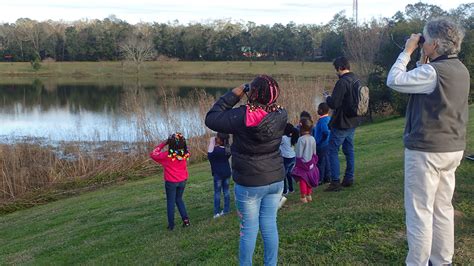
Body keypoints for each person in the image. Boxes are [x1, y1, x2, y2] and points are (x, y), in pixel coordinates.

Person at [386, 18, 469, 266]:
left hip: (427, 150)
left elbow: (395, 80)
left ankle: (417, 262)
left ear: (433, 43)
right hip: (452, 148)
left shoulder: (433, 72)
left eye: (424, 40)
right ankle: (442, 260)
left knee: (420, 211)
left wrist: (407, 51)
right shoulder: (460, 69)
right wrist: (424, 60)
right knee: (442, 207)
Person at [205, 74, 287, 266]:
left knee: (249, 230)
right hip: (275, 178)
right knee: (269, 225)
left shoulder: (242, 116)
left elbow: (211, 118)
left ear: (253, 93)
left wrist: (235, 93)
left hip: (250, 182)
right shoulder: (281, 114)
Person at [324, 56, 360, 192]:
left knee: (332, 150)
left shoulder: (342, 82)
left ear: (339, 68)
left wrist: (327, 98)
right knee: (349, 150)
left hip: (342, 122)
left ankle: (335, 182)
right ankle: (349, 178)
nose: (336, 72)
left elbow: (334, 103)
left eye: (336, 69)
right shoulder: (356, 79)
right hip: (353, 120)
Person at [150, 132, 191, 231]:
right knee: (179, 199)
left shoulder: (167, 156)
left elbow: (153, 154)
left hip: (171, 182)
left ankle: (171, 225)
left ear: (170, 144)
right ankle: (186, 221)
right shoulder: (185, 154)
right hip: (183, 180)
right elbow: (183, 147)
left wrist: (164, 143)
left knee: (171, 202)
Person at [292, 118, 319, 203]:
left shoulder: (301, 139)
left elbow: (299, 153)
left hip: (302, 163)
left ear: (301, 127)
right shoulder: (312, 138)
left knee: (303, 180)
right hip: (311, 162)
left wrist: (297, 161)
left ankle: (303, 197)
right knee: (309, 178)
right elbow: (314, 152)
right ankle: (309, 195)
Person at [208, 132, 232, 218]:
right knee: (226, 191)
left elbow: (209, 155)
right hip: (227, 172)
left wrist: (211, 141)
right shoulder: (227, 149)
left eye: (217, 137)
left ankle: (216, 212)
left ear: (221, 141)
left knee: (217, 193)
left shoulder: (216, 151)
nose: (215, 138)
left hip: (218, 174)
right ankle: (226, 209)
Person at [313, 102, 331, 184]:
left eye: (318, 109)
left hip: (321, 145)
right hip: (327, 144)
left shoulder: (322, 121)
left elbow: (325, 132)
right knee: (326, 161)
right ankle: (327, 177)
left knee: (320, 163)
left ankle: (320, 179)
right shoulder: (329, 118)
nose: (317, 110)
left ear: (321, 110)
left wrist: (320, 141)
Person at [280, 123, 299, 194]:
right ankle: (291, 189)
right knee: (289, 174)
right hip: (293, 158)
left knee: (283, 175)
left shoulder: (283, 138)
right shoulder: (293, 138)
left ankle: (285, 191)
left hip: (286, 159)